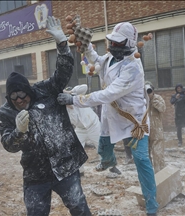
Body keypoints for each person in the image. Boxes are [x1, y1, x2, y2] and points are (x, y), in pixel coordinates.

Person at [57, 21, 159, 216]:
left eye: (119, 43)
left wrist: (74, 99)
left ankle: (152, 205)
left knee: (141, 160)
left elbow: (107, 94)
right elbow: (95, 59)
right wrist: (85, 44)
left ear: (129, 44)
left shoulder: (133, 68)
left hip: (134, 120)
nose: (113, 46)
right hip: (111, 113)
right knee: (104, 149)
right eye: (112, 42)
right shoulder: (110, 58)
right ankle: (108, 161)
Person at [0, 16, 91, 215]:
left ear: (28, 91)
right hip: (35, 174)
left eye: (22, 95)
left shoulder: (45, 90)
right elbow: (8, 145)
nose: (19, 100)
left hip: (65, 165)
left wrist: (62, 44)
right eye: (14, 98)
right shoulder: (6, 112)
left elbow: (64, 72)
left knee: (79, 208)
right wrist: (18, 132)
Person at [64, 84, 101, 176]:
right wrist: (69, 107)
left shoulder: (76, 95)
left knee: (101, 146)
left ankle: (111, 166)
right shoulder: (64, 109)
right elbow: (73, 121)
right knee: (75, 148)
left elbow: (84, 87)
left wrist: (69, 93)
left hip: (93, 125)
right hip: (80, 129)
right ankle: (80, 171)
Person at [145, 81, 166, 173]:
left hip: (156, 131)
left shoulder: (157, 98)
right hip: (144, 131)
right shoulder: (140, 100)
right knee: (145, 155)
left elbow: (163, 109)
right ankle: (149, 175)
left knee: (158, 154)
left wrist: (153, 101)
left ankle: (160, 175)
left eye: (150, 91)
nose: (148, 93)